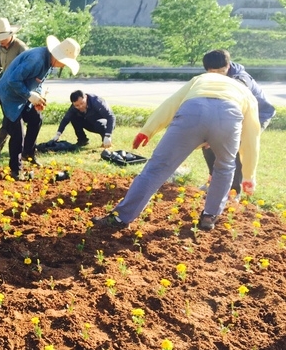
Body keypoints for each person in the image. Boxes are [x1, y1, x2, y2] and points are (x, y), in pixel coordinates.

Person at [93, 49, 260, 231]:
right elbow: (252, 135)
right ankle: (209, 217)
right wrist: (249, 176)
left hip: (193, 111)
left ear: (206, 70)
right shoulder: (244, 90)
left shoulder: (199, 80)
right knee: (225, 167)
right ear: (228, 68)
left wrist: (147, 130)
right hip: (229, 116)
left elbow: (171, 104)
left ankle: (120, 218)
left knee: (157, 167)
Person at [0, 36, 80, 180]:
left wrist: (37, 96)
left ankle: (29, 153)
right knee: (17, 133)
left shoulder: (48, 61)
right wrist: (29, 96)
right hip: (9, 96)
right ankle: (16, 170)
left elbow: (38, 82)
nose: (63, 66)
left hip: (23, 95)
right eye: (64, 63)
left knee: (36, 118)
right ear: (58, 57)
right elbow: (12, 80)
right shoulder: (36, 60)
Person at [200, 54, 275, 196]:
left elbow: (237, 107)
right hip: (229, 113)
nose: (217, 76)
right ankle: (214, 179)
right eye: (212, 72)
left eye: (221, 71)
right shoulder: (207, 80)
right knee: (208, 143)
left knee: (234, 146)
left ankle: (234, 192)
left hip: (257, 114)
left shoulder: (240, 80)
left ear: (228, 66)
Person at [0, 17, 29, 166]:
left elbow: (29, 70)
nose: (0, 41)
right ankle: (4, 154)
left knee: (12, 123)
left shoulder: (21, 48)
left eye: (2, 38)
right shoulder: (1, 48)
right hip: (6, 91)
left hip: (20, 92)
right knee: (9, 123)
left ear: (10, 34)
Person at [51, 90, 115, 148]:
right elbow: (66, 119)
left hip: (104, 124)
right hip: (90, 123)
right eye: (77, 105)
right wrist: (58, 134)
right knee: (73, 117)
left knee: (99, 124)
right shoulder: (73, 107)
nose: (80, 107)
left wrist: (108, 135)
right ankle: (82, 140)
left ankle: (106, 142)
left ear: (86, 97)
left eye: (82, 103)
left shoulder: (97, 101)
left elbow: (111, 116)